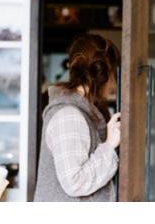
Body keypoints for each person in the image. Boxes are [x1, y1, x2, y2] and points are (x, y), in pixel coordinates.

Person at [34, 34, 121, 202]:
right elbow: (75, 182)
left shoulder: (81, 111)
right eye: (114, 75)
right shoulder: (69, 116)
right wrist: (109, 146)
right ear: (105, 74)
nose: (114, 84)